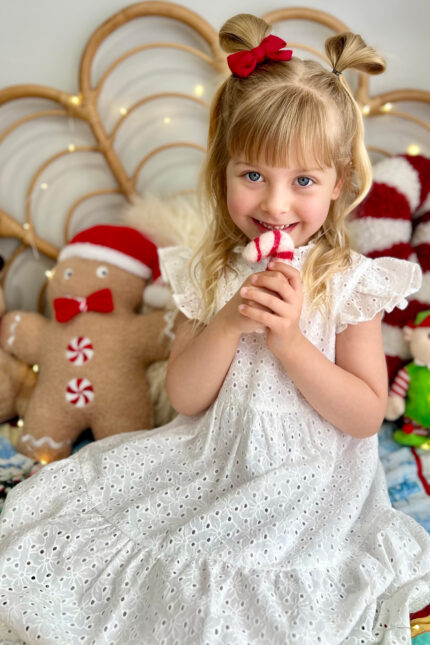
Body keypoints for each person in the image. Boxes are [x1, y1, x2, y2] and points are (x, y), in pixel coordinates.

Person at [0, 13, 429, 645]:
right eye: (253, 175)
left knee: (266, 579)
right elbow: (186, 397)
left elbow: (365, 414)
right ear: (222, 172)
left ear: (338, 185)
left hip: (309, 483)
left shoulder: (347, 280)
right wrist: (228, 321)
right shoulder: (209, 271)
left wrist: (288, 341)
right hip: (216, 458)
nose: (276, 205)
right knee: (136, 538)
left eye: (303, 181)